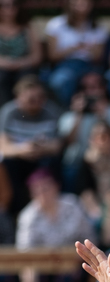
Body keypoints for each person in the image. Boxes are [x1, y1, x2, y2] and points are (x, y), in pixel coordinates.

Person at [15, 170, 90, 282]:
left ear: (56, 187)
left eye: (46, 188)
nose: (42, 194)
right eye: (36, 191)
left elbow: (89, 238)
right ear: (31, 194)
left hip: (75, 262)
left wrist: (78, 257)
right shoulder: (27, 216)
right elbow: (25, 253)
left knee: (73, 273)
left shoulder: (72, 205)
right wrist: (29, 280)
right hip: (43, 267)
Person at [58, 70, 110, 192]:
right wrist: (79, 115)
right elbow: (68, 142)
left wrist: (103, 115)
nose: (91, 91)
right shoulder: (70, 116)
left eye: (96, 86)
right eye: (86, 87)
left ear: (104, 88)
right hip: (79, 162)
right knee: (71, 171)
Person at [0, 75, 63, 214]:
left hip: (42, 158)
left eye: (40, 97)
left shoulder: (51, 111)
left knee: (54, 162)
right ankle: (14, 212)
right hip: (18, 159)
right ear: (18, 97)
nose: (37, 102)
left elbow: (57, 145)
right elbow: (3, 147)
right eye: (31, 99)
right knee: (7, 165)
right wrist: (23, 150)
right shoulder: (8, 112)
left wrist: (40, 149)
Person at [45, 0, 108, 107]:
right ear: (69, 3)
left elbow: (99, 56)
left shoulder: (99, 27)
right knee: (61, 82)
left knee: (99, 82)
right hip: (65, 65)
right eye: (78, 1)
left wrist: (89, 49)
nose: (82, 4)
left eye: (86, 1)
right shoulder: (56, 25)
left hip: (90, 66)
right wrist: (73, 48)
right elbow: (52, 55)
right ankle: (69, 115)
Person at [0, 0, 42, 106]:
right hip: (2, 68)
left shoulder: (28, 26)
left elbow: (37, 56)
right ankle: (4, 116)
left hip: (25, 67)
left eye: (14, 3)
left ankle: (24, 115)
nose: (10, 8)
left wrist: (19, 63)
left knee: (27, 81)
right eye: (5, 4)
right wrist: (8, 64)